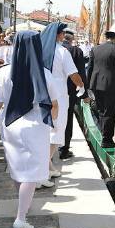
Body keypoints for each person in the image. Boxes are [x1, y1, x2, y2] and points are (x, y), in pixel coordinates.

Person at [0, 31, 59, 228]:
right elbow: (54, 105)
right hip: (35, 127)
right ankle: (20, 217)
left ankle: (23, 206)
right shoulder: (45, 74)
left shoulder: (4, 72)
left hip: (11, 125)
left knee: (18, 170)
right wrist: (55, 123)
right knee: (31, 174)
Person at [41, 22, 86, 187]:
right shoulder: (62, 52)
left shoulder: (40, 50)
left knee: (44, 133)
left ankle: (48, 166)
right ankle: (42, 171)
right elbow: (73, 74)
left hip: (41, 95)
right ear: (59, 35)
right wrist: (81, 86)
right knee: (55, 132)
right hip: (57, 96)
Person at [87, 23, 115, 148]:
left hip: (95, 84)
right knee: (109, 112)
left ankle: (102, 134)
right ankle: (107, 140)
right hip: (109, 85)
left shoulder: (95, 49)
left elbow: (89, 69)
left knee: (101, 110)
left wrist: (89, 86)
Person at [60, 29, 89, 159]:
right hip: (70, 90)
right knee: (67, 118)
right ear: (71, 40)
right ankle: (64, 149)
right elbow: (81, 74)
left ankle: (52, 146)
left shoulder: (54, 49)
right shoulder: (76, 51)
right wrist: (84, 93)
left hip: (53, 89)